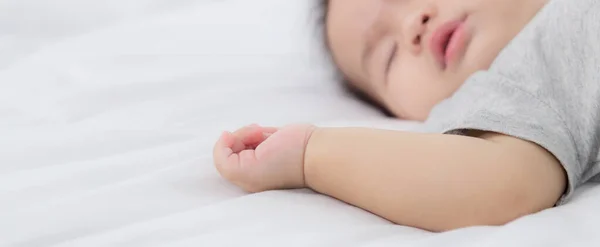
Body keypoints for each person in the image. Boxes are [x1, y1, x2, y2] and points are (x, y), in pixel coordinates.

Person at [213, 0, 600, 232]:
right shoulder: (515, 82)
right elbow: (504, 182)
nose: (412, 22)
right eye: (388, 57)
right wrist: (310, 154)